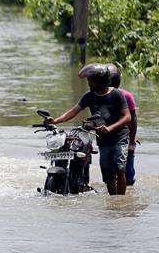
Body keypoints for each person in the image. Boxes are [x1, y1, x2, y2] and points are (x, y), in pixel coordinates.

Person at [47, 64, 132, 196]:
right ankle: (113, 200)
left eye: (91, 81)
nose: (89, 83)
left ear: (101, 81)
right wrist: (55, 120)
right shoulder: (89, 96)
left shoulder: (116, 94)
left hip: (119, 136)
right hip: (103, 138)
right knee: (107, 171)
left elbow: (127, 117)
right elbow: (73, 111)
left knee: (120, 168)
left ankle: (120, 200)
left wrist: (110, 128)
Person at [105, 63, 138, 186]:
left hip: (125, 138)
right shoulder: (101, 95)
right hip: (108, 138)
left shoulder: (127, 96)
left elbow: (133, 119)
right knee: (111, 175)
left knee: (127, 176)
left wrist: (132, 140)